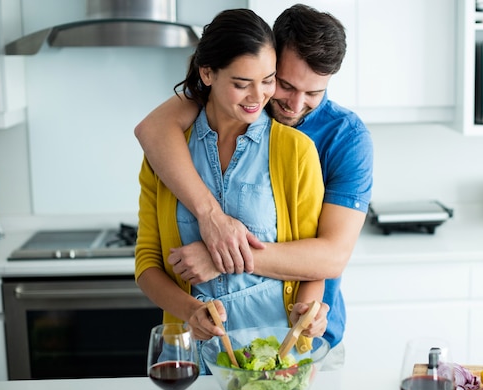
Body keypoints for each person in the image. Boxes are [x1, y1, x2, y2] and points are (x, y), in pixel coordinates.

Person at [134, 4, 374, 368]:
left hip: (299, 342)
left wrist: (223, 257)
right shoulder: (193, 124)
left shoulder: (337, 140)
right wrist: (211, 219)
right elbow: (151, 131)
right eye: (286, 84)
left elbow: (330, 257)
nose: (295, 105)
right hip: (196, 357)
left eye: (314, 93)